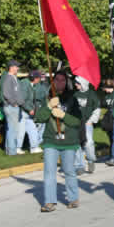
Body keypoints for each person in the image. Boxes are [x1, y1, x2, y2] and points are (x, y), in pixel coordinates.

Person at [35, 71, 82, 212]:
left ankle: (73, 198)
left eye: (62, 80)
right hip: (51, 141)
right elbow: (39, 118)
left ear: (66, 82)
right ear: (53, 82)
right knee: (49, 172)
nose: (59, 82)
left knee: (69, 171)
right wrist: (49, 107)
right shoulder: (47, 98)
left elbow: (77, 121)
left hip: (69, 141)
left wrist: (63, 115)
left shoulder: (73, 98)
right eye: (57, 80)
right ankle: (50, 202)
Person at [73, 76, 100, 174]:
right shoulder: (74, 94)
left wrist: (91, 120)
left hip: (87, 122)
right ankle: (79, 166)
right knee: (76, 143)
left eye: (77, 82)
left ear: (83, 83)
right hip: (76, 123)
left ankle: (90, 160)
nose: (75, 84)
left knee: (88, 143)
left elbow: (97, 108)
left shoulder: (91, 94)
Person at [2, 60, 25, 155]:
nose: (18, 68)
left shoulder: (13, 78)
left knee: (11, 129)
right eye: (16, 66)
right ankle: (12, 151)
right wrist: (13, 103)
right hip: (11, 107)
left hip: (14, 107)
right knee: (13, 129)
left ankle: (10, 150)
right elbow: (6, 93)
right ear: (11, 67)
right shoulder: (8, 78)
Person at [18, 70, 43, 154]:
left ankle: (34, 147)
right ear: (34, 78)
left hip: (27, 112)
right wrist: (29, 109)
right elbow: (22, 99)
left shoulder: (30, 84)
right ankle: (18, 148)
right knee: (21, 131)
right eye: (39, 78)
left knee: (32, 129)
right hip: (23, 111)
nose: (39, 80)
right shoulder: (25, 84)